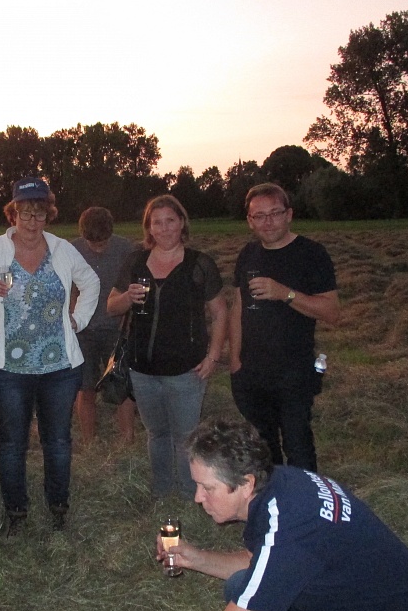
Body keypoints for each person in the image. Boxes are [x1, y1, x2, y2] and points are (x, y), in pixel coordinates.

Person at [129, 419, 408, 611]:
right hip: (366, 599)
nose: (198, 498)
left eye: (207, 488)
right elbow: (259, 564)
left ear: (246, 484)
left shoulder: (292, 530)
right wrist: (196, 558)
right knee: (240, 584)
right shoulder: (279, 483)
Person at [0, 177, 99, 535]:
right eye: (25, 213)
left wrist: (78, 319)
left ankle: (58, 507)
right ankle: (16, 512)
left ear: (48, 215)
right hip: (7, 369)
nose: (32, 222)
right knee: (12, 443)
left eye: (39, 214)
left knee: (58, 441)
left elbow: (91, 282)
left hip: (59, 367)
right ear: (13, 214)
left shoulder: (62, 250)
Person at [107, 195, 226, 499]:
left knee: (186, 436)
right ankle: (161, 489)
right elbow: (111, 306)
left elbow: (220, 312)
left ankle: (188, 493)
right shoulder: (135, 262)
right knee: (156, 433)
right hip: (142, 369)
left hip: (186, 369)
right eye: (157, 222)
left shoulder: (199, 264)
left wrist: (213, 356)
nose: (164, 228)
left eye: (170, 220)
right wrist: (127, 298)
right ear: (149, 227)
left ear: (182, 222)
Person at [228, 183, 340, 472]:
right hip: (251, 371)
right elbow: (238, 307)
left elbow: (331, 312)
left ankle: (304, 496)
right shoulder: (248, 254)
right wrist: (235, 361)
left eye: (275, 213)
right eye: (259, 216)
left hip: (294, 370)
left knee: (297, 444)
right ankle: (273, 495)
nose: (268, 222)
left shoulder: (311, 254)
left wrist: (285, 294)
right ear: (250, 221)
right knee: (262, 447)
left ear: (289, 214)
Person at [71, 207, 136, 445]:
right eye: (93, 243)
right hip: (83, 331)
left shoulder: (127, 250)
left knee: (121, 385)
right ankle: (89, 443)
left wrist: (130, 325)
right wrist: (73, 320)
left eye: (103, 242)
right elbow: (69, 289)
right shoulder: (72, 251)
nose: (98, 248)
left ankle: (127, 440)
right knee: (85, 387)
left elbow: (134, 291)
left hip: (117, 329)